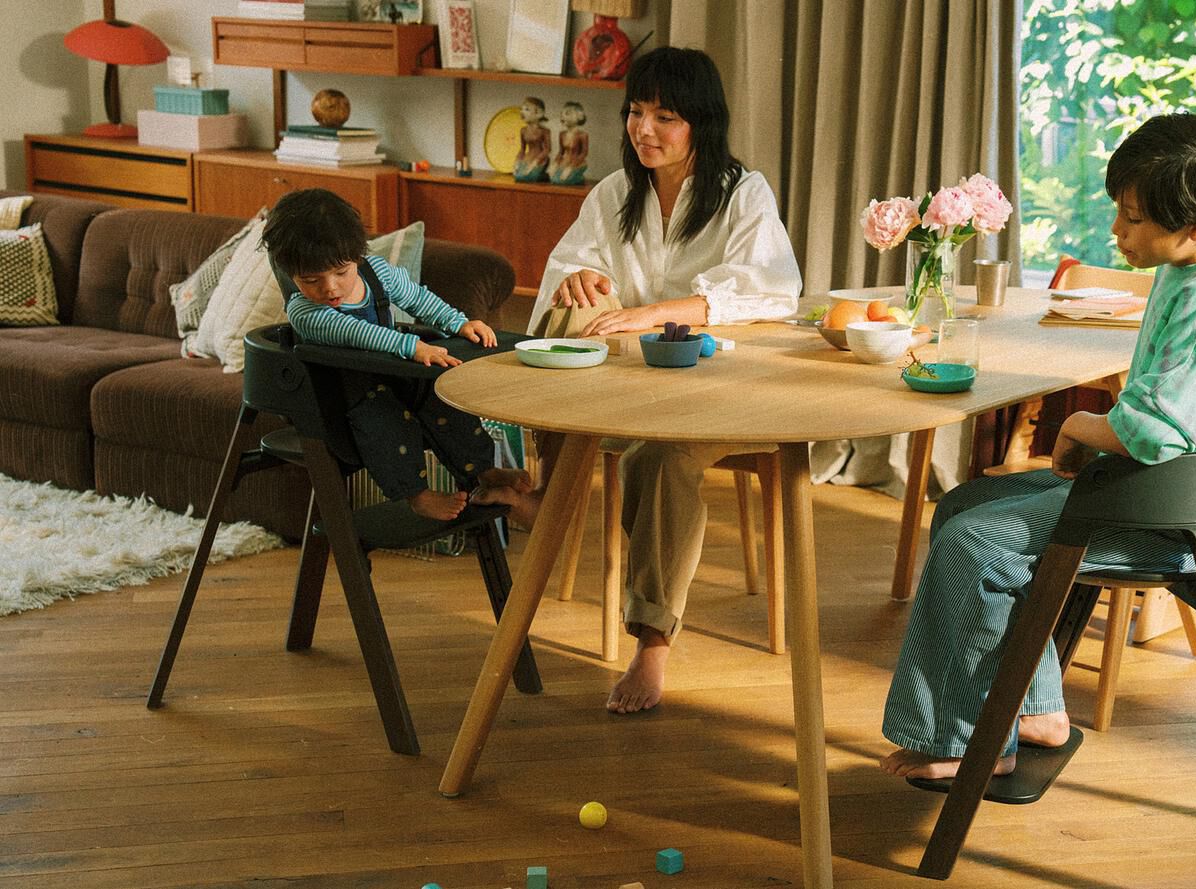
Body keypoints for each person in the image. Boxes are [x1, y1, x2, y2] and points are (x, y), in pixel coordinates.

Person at [878, 113, 1196, 780]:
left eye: (1133, 219)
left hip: (1171, 514)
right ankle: (1036, 707)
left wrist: (1072, 429)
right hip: (1155, 491)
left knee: (974, 544)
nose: (1118, 232)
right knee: (962, 508)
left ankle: (966, 741)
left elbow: (1147, 433)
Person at [528, 46, 803, 715]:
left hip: (721, 384)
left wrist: (655, 310)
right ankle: (543, 490)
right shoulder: (615, 193)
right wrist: (582, 280)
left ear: (700, 122)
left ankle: (652, 641)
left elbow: (772, 293)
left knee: (661, 457)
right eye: (636, 111)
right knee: (564, 325)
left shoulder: (744, 193)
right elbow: (569, 271)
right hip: (635, 379)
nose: (643, 128)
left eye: (665, 116)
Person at [264, 188, 538, 525]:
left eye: (341, 273)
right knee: (384, 421)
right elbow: (357, 332)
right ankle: (416, 494)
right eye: (311, 280)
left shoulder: (377, 272)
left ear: (357, 256)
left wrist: (459, 323)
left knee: (445, 401)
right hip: (347, 396)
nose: (330, 288)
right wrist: (412, 347)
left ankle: (484, 472)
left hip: (393, 376)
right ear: (291, 275)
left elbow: (419, 300)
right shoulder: (305, 311)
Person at [548, 101, 590, 186]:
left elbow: (583, 153)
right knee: (554, 179)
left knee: (564, 180)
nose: (563, 117)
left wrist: (571, 167)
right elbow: (561, 152)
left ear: (579, 116)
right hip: (564, 162)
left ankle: (577, 176)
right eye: (562, 114)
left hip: (576, 162)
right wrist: (555, 163)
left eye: (567, 113)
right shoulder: (562, 134)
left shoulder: (582, 135)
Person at [514, 97, 552, 183]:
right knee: (519, 177)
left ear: (539, 113)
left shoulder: (544, 131)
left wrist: (536, 161)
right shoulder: (523, 131)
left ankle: (541, 174)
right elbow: (522, 149)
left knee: (529, 177)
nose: (522, 112)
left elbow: (547, 149)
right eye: (521, 109)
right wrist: (517, 161)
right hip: (527, 159)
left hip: (540, 160)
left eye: (527, 109)